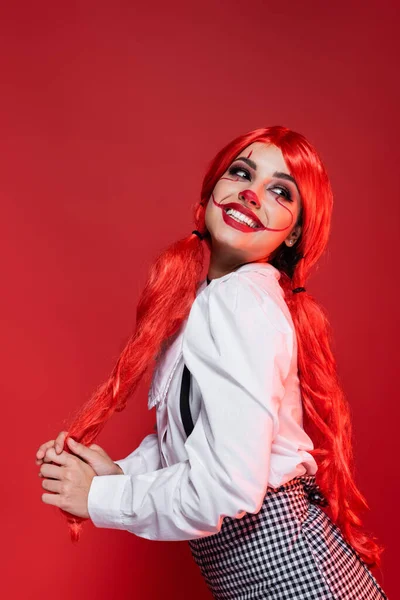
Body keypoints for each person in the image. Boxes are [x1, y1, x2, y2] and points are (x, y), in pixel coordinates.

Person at [35, 126, 388, 599]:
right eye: (240, 172)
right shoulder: (210, 299)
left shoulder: (241, 302)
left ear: (295, 233)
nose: (251, 192)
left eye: (280, 191)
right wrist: (122, 471)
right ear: (209, 195)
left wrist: (100, 498)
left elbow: (229, 485)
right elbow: (199, 438)